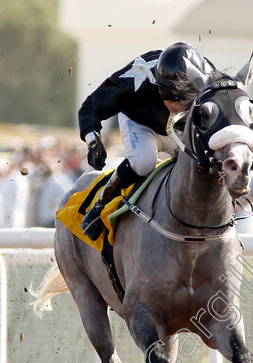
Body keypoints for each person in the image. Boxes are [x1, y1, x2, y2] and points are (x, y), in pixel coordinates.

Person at [77, 42, 214, 239]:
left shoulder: (209, 78)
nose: (175, 104)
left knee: (202, 162)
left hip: (181, 127)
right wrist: (93, 141)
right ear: (157, 82)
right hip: (140, 123)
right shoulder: (136, 77)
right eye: (169, 96)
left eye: (183, 98)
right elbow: (90, 107)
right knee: (143, 162)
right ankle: (101, 203)